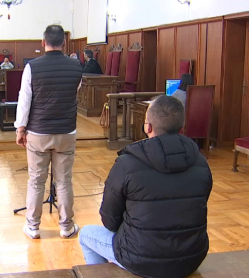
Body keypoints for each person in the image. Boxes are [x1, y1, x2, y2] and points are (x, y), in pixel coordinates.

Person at [79, 95, 212, 278]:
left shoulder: (126, 163)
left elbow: (109, 220)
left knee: (85, 234)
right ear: (181, 129)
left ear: (147, 127)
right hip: (191, 257)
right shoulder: (201, 162)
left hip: (141, 259)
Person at [15, 24, 83, 240]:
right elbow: (74, 91)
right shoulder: (76, 67)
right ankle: (66, 226)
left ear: (43, 43)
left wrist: (20, 128)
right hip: (66, 132)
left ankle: (33, 227)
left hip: (38, 132)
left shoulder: (32, 67)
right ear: (64, 42)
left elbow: (24, 100)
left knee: (36, 181)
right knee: (64, 182)